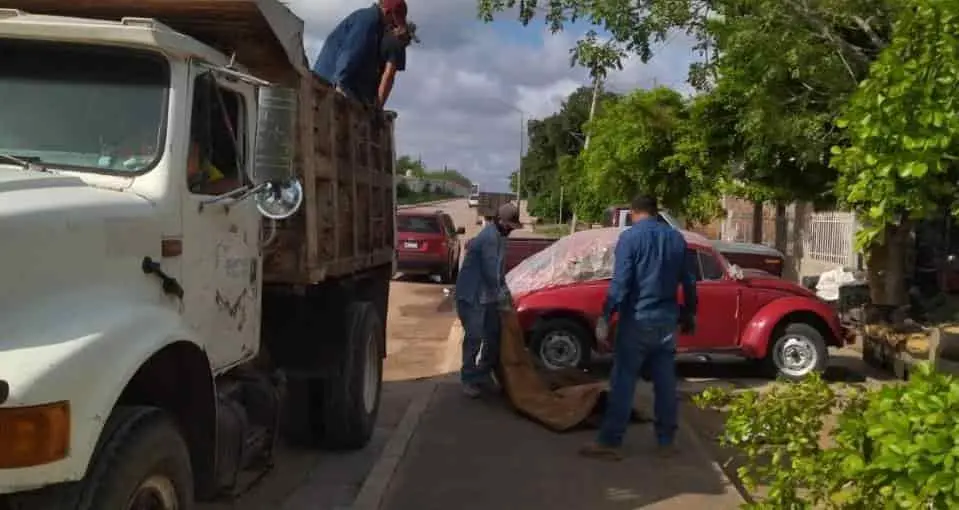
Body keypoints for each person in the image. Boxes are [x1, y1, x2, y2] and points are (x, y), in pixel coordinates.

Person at [579, 195, 698, 461]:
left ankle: (611, 441)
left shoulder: (630, 239)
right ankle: (666, 440)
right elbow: (689, 281)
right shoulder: (676, 239)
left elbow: (620, 282)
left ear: (633, 213)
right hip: (666, 321)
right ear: (656, 212)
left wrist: (605, 315)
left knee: (623, 381)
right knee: (666, 382)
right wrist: (690, 313)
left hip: (637, 319)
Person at [454, 203, 523, 397]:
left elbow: (499, 272)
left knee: (493, 337)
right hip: (472, 296)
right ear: (500, 221)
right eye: (509, 225)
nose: (511, 229)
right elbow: (490, 272)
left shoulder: (500, 238)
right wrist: (502, 296)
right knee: (474, 338)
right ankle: (468, 379)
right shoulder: (489, 238)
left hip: (487, 297)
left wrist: (506, 294)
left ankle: (482, 375)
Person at [312, 0, 409, 106]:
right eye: (393, 21)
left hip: (330, 85)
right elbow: (349, 54)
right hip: (327, 86)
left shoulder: (375, 25)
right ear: (387, 12)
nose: (393, 25)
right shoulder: (368, 20)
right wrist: (341, 87)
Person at [376, 21, 418, 108]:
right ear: (403, 32)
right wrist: (379, 105)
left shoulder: (382, 33)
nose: (408, 43)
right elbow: (388, 76)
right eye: (409, 38)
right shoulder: (398, 46)